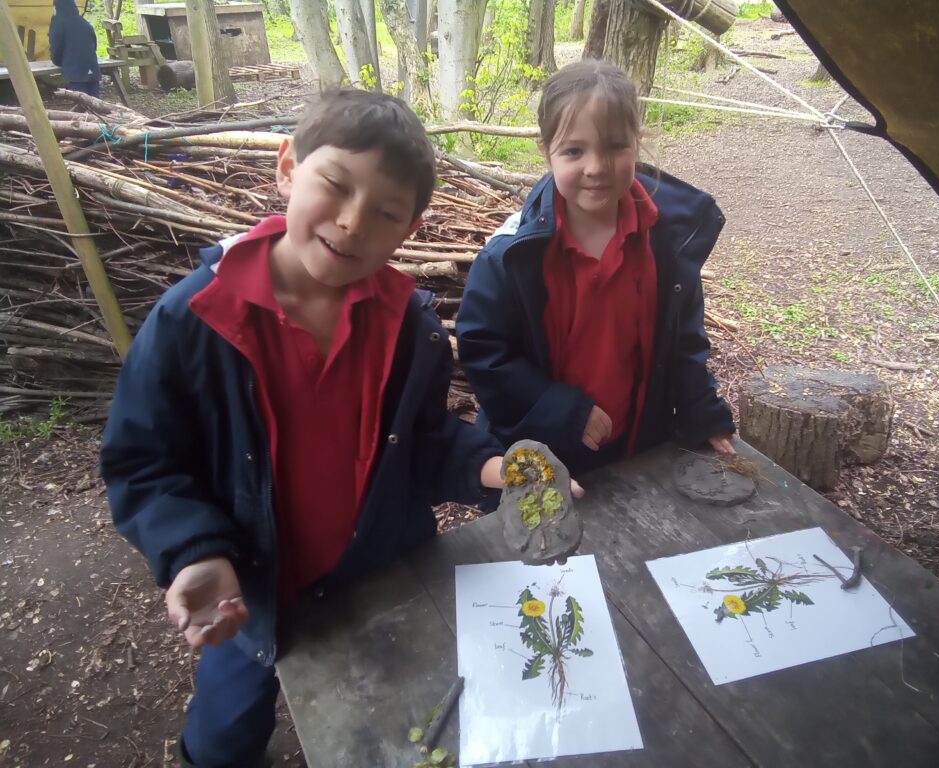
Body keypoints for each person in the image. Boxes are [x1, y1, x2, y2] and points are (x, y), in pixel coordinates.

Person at [100, 89, 519, 768]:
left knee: (400, 721)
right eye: (335, 185)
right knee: (221, 741)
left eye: (385, 212)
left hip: (382, 574)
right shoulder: (194, 319)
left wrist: (496, 469)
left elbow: (426, 440)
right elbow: (144, 463)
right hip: (254, 593)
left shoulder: (409, 326)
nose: (354, 223)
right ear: (288, 166)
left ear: (407, 232)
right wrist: (195, 552)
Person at [456, 60, 736, 477]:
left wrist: (701, 410)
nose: (596, 167)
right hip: (544, 449)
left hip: (637, 445)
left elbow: (684, 343)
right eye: (574, 150)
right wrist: (561, 409)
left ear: (636, 145)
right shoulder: (512, 256)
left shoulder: (666, 242)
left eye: (615, 146)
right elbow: (486, 353)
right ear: (546, 152)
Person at [49, 0, 101, 98]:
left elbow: (56, 47)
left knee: (82, 102)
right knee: (96, 102)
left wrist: (57, 61)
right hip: (93, 68)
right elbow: (94, 46)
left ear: (58, 7)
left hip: (75, 70)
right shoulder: (85, 23)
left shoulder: (59, 22)